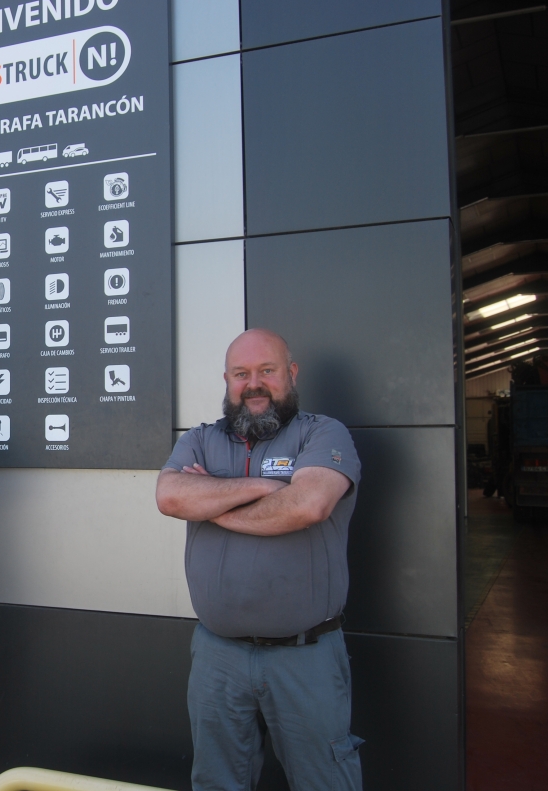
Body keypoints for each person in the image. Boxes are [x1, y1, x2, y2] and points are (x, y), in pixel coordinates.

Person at [155, 329, 364, 790]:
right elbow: (170, 496)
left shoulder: (323, 433)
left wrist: (212, 503)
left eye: (266, 371)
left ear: (290, 374)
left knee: (324, 781)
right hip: (218, 655)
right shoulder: (200, 439)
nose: (254, 384)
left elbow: (307, 506)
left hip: (304, 656)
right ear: (226, 380)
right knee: (216, 782)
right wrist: (265, 490)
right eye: (241, 374)